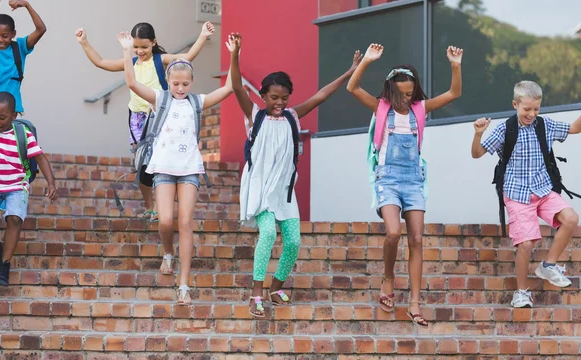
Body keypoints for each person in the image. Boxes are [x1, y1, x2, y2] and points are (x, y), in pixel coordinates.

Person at [233, 44, 363, 318]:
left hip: (284, 192)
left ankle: (275, 288)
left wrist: (351, 70)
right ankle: (256, 294)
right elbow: (235, 86)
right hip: (261, 190)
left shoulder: (292, 116)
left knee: (293, 241)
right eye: (273, 97)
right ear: (264, 96)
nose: (279, 103)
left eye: (284, 98)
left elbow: (321, 96)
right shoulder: (255, 115)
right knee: (267, 234)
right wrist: (235, 54)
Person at [118, 30, 240, 305]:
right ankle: (168, 252)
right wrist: (127, 51)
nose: (181, 88)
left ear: (192, 82)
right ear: (169, 82)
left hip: (189, 170)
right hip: (162, 168)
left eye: (185, 84)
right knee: (165, 221)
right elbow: (132, 83)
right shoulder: (160, 99)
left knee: (185, 222)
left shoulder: (197, 102)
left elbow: (229, 88)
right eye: (176, 84)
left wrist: (234, 56)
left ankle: (184, 283)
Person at [347, 43, 464, 327]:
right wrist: (367, 61)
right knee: (393, 232)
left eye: (409, 93)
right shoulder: (381, 107)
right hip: (387, 178)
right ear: (389, 90)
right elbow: (352, 87)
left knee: (417, 239)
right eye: (399, 93)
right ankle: (388, 278)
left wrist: (455, 65)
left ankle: (414, 303)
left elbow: (454, 93)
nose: (405, 98)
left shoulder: (420, 108)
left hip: (413, 179)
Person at [76, 21, 215, 222]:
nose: (140, 51)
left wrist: (202, 35)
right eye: (136, 47)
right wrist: (84, 42)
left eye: (144, 47)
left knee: (158, 163)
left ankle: (159, 207)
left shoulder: (160, 60)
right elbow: (101, 62)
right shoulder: (131, 63)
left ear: (154, 43)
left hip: (158, 118)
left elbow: (186, 58)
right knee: (141, 166)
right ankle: (150, 206)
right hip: (137, 120)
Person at [471, 81, 581, 308]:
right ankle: (521, 292)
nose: (531, 114)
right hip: (517, 194)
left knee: (570, 218)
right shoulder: (505, 129)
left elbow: (573, 128)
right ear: (515, 104)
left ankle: (548, 266)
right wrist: (478, 134)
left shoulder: (544, 125)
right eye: (526, 109)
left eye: (536, 109)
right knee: (526, 244)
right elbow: (477, 154)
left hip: (543, 189)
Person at [0, 92, 56, 286]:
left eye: (2, 117)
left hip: (16, 185)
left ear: (14, 116)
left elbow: (40, 158)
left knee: (14, 219)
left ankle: (4, 264)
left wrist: (51, 183)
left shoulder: (23, 135)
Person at [0, 0, 47, 119]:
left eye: (5, 36)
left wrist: (27, 5)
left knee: (12, 138)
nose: (0, 40)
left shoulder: (20, 48)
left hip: (11, 113)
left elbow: (41, 29)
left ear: (13, 34)